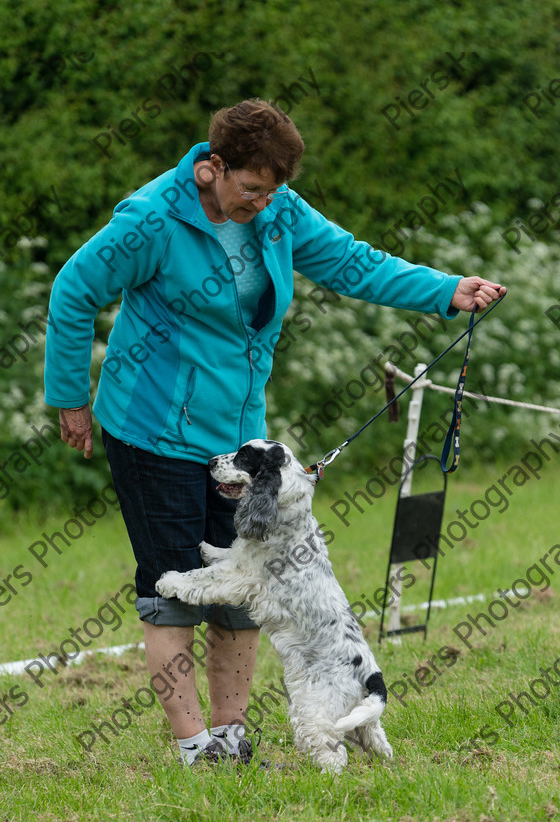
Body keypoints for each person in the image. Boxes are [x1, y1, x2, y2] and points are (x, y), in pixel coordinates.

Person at [44, 98, 506, 768]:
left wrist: (446, 291)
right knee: (172, 587)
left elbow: (354, 262)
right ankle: (194, 747)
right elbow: (73, 291)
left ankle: (232, 735)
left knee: (247, 588)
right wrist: (69, 399)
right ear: (211, 168)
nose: (261, 203)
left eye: (272, 191)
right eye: (250, 189)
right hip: (153, 433)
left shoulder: (278, 212)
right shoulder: (150, 219)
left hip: (240, 443)